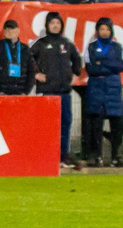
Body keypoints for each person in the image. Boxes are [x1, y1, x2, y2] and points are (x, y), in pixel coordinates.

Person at [28, 15, 84, 168]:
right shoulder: (40, 44)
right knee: (47, 125)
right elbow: (28, 59)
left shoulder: (67, 44)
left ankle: (63, 156)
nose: (55, 25)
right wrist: (36, 74)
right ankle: (47, 156)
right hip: (47, 92)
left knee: (65, 123)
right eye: (52, 22)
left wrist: (75, 74)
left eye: (58, 22)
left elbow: (77, 59)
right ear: (47, 25)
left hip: (64, 91)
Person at [81, 16, 123, 167]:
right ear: (97, 31)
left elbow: (121, 66)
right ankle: (98, 157)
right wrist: (109, 66)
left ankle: (115, 156)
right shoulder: (91, 47)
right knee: (96, 124)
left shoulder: (118, 47)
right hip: (96, 88)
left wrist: (102, 63)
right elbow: (91, 68)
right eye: (102, 29)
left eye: (107, 29)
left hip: (113, 88)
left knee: (116, 124)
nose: (105, 32)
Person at [0, 17, 30, 95]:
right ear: (3, 32)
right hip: (0, 93)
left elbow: (31, 71)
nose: (9, 31)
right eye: (6, 29)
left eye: (12, 28)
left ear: (18, 30)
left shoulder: (25, 49)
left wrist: (25, 92)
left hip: (19, 93)